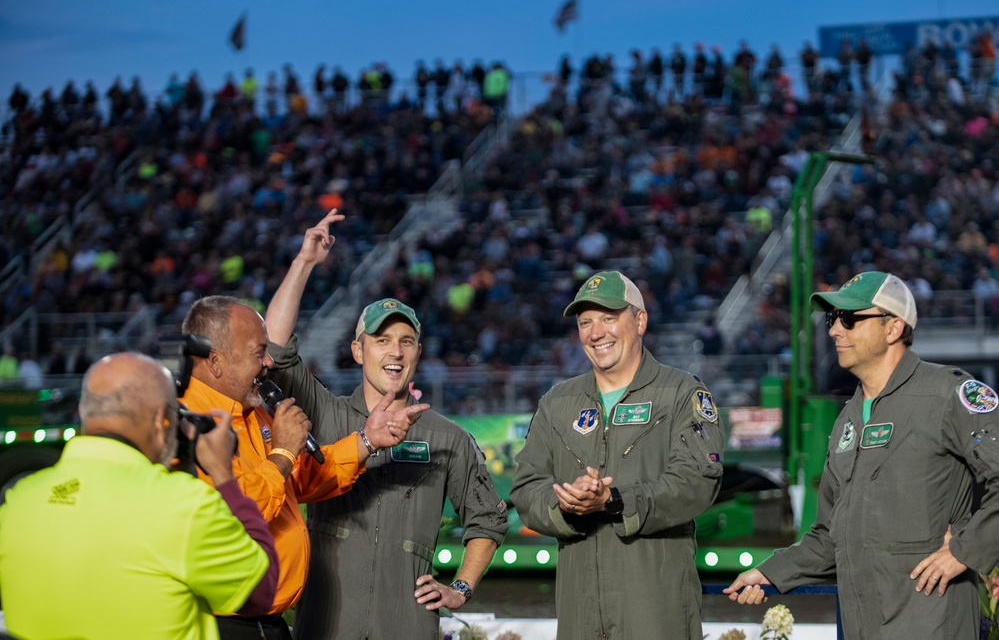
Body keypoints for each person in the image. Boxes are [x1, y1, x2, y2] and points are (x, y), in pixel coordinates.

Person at [263, 210, 509, 640]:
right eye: (381, 340)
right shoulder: (326, 413)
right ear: (359, 351)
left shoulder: (448, 437)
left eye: (406, 341)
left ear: (417, 352)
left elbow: (488, 519)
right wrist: (303, 263)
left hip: (407, 624)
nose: (394, 351)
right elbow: (276, 348)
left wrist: (461, 588)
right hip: (327, 623)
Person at [724, 271, 999, 639]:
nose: (836, 330)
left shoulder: (949, 394)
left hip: (931, 623)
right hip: (861, 625)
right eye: (832, 319)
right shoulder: (847, 420)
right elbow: (828, 536)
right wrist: (773, 571)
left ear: (893, 328)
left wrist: (964, 550)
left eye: (851, 319)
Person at [180, 291, 426, 639]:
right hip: (219, 624)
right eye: (258, 352)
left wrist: (366, 441)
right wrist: (281, 453)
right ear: (216, 361)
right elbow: (228, 515)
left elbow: (296, 481)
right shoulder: (185, 426)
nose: (268, 363)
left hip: (268, 622)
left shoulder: (252, 411)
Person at [0, 353, 278, 640]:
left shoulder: (17, 502)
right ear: (160, 419)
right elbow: (261, 589)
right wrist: (223, 475)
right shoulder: (185, 506)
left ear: (84, 413)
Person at [510, 270, 725, 639]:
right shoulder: (557, 404)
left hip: (656, 613)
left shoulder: (680, 394)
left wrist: (616, 501)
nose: (596, 333)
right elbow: (526, 486)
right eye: (585, 322)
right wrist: (564, 504)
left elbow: (696, 481)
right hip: (580, 616)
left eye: (609, 318)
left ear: (639, 320)